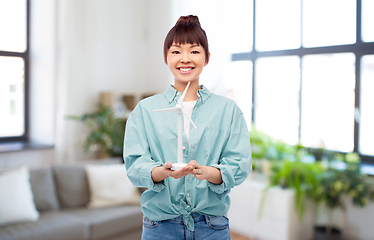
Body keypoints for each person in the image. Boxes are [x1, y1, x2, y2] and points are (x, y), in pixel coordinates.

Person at [124, 15, 252, 240]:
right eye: (176, 51)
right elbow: (135, 166)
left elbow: (239, 164)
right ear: (166, 57)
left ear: (207, 57)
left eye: (194, 51)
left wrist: (207, 172)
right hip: (160, 226)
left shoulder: (228, 110)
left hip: (212, 227)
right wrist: (162, 172)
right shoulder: (144, 111)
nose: (185, 59)